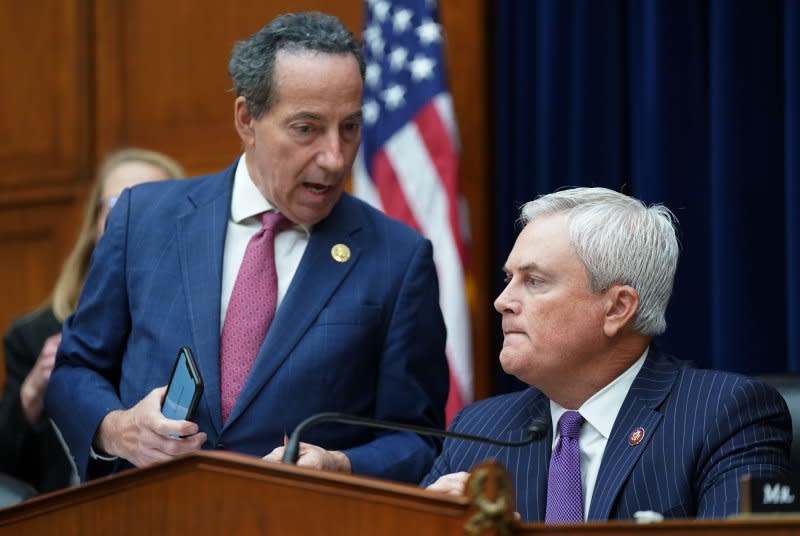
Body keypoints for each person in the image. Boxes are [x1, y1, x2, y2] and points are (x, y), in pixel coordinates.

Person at [45, 12, 448, 484]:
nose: (335, 157)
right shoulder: (143, 220)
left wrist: (341, 465)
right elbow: (75, 370)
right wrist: (117, 430)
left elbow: (418, 440)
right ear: (247, 119)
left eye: (350, 127)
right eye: (307, 128)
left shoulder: (398, 259)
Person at [422, 187, 791, 521]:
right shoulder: (479, 430)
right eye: (509, 279)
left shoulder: (726, 416)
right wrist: (423, 524)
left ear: (617, 308)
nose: (502, 302)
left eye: (533, 281)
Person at [0, 148, 185, 494]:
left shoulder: (191, 327)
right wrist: (31, 395)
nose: (133, 221)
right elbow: (8, 472)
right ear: (94, 223)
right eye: (118, 207)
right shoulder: (33, 335)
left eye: (153, 206)